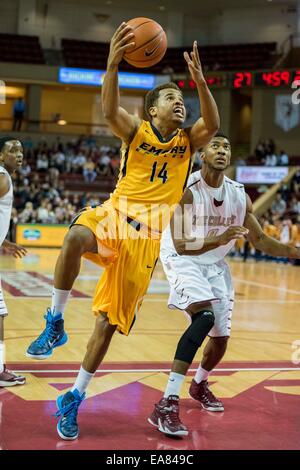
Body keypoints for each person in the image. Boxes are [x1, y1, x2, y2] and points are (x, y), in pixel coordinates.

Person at [26, 23, 220, 440]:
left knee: (106, 326)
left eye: (181, 99)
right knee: (75, 236)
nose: (180, 104)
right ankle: (55, 320)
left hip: (146, 241)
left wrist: (201, 82)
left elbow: (214, 125)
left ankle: (74, 396)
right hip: (116, 215)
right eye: (172, 99)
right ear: (152, 110)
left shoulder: (187, 142)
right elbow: (111, 111)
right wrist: (112, 65)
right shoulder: (136, 130)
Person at [148, 134, 300, 436]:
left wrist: (296, 252)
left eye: (227, 146)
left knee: (221, 340)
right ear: (202, 154)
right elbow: (181, 244)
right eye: (215, 146)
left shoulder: (239, 195)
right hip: (181, 258)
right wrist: (221, 237)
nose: (221, 150)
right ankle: (166, 403)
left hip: (215, 263)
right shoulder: (188, 191)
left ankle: (200, 383)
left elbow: (260, 240)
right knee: (203, 317)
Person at [0, 136, 27, 386]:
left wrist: (4, 242)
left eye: (20, 150)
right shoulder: (3, 176)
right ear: (1, 155)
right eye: (12, 150)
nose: (18, 154)